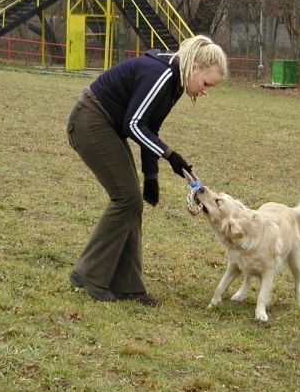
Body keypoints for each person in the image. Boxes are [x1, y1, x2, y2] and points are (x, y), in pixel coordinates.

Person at [66, 35, 228, 305]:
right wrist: (171, 156)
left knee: (132, 202)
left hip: (105, 124)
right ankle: (89, 275)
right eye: (206, 83)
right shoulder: (163, 74)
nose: (205, 91)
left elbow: (149, 128)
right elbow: (134, 125)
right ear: (196, 67)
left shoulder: (176, 82)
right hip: (90, 122)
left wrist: (151, 176)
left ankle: (128, 285)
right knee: (126, 199)